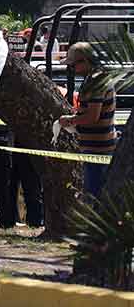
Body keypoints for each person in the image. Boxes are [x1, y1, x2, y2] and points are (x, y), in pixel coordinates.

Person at [59, 42, 118, 199]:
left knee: (93, 197)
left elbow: (93, 117)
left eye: (73, 65)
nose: (71, 70)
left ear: (84, 61)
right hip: (98, 147)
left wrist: (71, 120)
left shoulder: (95, 82)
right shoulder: (96, 78)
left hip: (98, 149)